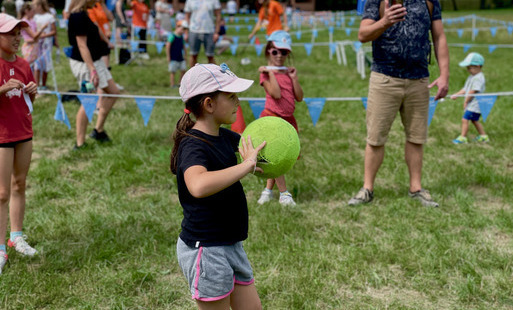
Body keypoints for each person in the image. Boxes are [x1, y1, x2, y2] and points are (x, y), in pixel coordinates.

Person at [171, 62, 264, 309]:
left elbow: (252, 149)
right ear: (209, 104)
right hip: (207, 249)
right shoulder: (193, 145)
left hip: (231, 243)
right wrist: (245, 167)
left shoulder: (225, 137)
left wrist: (272, 152)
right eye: (231, 96)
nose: (238, 102)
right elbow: (198, 185)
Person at [348, 0, 449, 207]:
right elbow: (363, 34)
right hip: (384, 78)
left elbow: (439, 36)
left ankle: (416, 189)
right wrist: (385, 21)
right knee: (375, 138)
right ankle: (367, 189)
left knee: (416, 137)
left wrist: (444, 75)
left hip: (419, 80)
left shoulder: (429, 1)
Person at [0, 13, 39, 275]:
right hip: (2, 136)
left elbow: (26, 105)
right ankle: (0, 248)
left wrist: (33, 94)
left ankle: (16, 237)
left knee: (19, 184)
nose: (17, 38)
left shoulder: (25, 63)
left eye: (19, 33)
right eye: (11, 33)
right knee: (1, 192)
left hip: (23, 132)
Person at [256, 30, 303, 207]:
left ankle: (267, 191)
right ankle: (284, 195)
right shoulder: (265, 74)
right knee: (276, 157)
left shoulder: (288, 73)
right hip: (272, 118)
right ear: (268, 50)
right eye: (276, 51)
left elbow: (299, 97)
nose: (280, 56)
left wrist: (294, 78)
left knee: (280, 158)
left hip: (288, 120)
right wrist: (271, 73)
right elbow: (275, 93)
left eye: (284, 52)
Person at [67, 0, 120, 149]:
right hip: (85, 64)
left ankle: (98, 130)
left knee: (114, 92)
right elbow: (81, 45)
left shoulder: (85, 13)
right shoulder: (77, 16)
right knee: (89, 101)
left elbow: (97, 28)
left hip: (96, 61)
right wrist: (92, 70)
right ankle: (79, 143)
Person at [450, 52, 489, 144]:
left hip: (475, 105)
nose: (468, 70)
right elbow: (465, 89)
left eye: (470, 67)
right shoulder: (472, 77)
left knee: (465, 119)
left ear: (478, 66)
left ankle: (463, 138)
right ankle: (484, 136)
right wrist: (457, 94)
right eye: (467, 68)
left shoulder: (478, 78)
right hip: (472, 104)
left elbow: (472, 92)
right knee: (474, 120)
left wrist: (466, 102)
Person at [184, 0, 221, 67]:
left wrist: (216, 32)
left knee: (210, 56)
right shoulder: (189, 1)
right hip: (193, 31)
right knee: (193, 55)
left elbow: (218, 15)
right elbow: (187, 16)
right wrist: (186, 32)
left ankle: (213, 76)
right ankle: (193, 76)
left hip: (209, 31)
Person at [33, 0, 56, 90]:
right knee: (37, 64)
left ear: (40, 6)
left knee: (45, 64)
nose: (34, 8)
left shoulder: (49, 17)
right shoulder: (35, 17)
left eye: (35, 6)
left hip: (46, 44)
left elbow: (54, 31)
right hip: (37, 44)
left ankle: (44, 85)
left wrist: (44, 35)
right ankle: (36, 85)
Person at [19, 3, 49, 67]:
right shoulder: (24, 22)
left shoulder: (32, 21)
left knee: (34, 66)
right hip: (29, 47)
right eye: (33, 11)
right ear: (27, 11)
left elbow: (36, 34)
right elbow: (34, 36)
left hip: (34, 46)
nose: (34, 13)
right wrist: (42, 29)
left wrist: (41, 34)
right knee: (27, 67)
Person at [88, 0, 114, 68]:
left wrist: (103, 4)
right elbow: (96, 27)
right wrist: (108, 42)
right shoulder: (90, 8)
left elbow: (111, 18)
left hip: (106, 38)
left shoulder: (100, 5)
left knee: (106, 66)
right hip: (99, 39)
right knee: (104, 68)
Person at [166, 19, 187, 88]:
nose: (183, 31)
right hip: (173, 57)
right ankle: (172, 84)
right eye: (182, 29)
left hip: (180, 57)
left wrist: (185, 55)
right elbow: (168, 46)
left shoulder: (181, 37)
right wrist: (168, 56)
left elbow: (184, 46)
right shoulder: (172, 36)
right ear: (177, 27)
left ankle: (180, 83)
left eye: (184, 30)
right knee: (173, 71)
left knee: (183, 69)